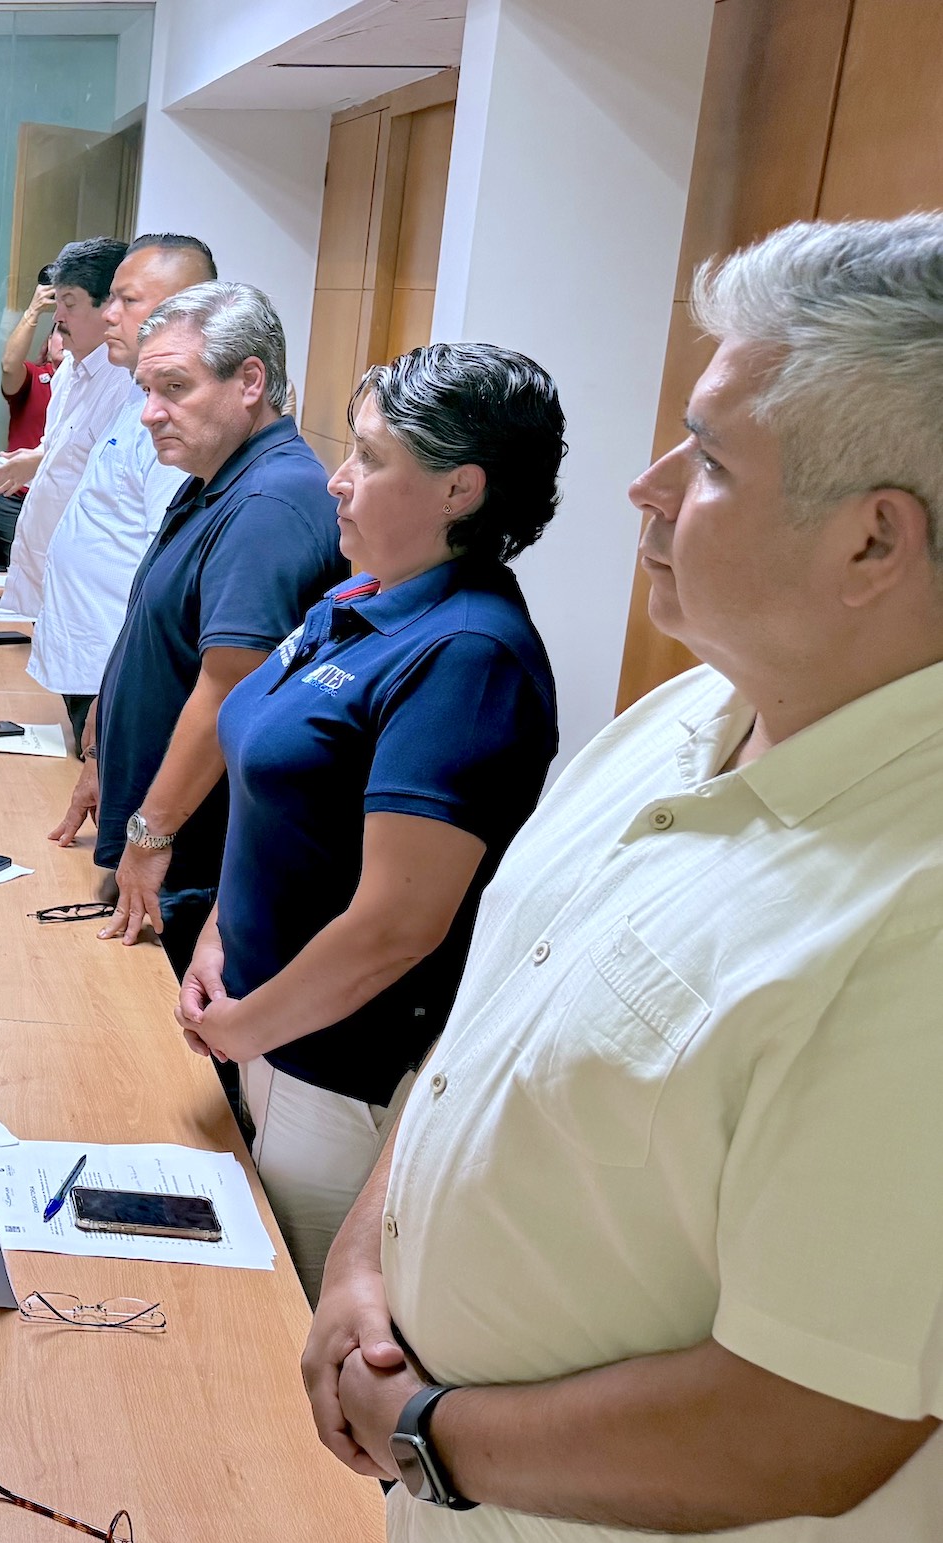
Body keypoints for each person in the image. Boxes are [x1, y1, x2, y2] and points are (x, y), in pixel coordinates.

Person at [308, 212, 943, 1543]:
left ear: (871, 538)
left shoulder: (913, 909)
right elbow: (491, 1029)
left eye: (707, 461)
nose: (645, 488)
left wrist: (429, 1433)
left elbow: (804, 1420)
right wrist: (360, 1262)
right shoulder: (683, 713)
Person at [176, 343, 563, 1299]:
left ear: (459, 489)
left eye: (369, 457)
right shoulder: (358, 599)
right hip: (253, 1021)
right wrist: (218, 937)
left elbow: (398, 925)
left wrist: (247, 1026)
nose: (336, 481)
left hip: (331, 1068)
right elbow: (276, 802)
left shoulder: (466, 655)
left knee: (280, 1323)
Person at [86, 282, 348, 973]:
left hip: (194, 860)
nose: (150, 413)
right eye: (146, 390)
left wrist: (150, 834)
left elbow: (229, 685)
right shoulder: (217, 476)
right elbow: (159, 634)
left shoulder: (268, 502)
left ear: (250, 381)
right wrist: (100, 755)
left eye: (174, 387)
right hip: (162, 838)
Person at [28, 233, 213, 758]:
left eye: (127, 300)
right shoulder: (138, 398)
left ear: (187, 309)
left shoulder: (184, 421)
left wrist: (119, 691)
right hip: (96, 670)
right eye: (110, 298)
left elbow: (167, 577)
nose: (109, 314)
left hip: (121, 676)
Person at [0, 275, 62, 566]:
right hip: (17, 499)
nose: (65, 338)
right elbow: (9, 365)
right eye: (59, 330)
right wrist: (33, 311)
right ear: (48, 341)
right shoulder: (34, 378)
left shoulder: (95, 387)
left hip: (62, 501)